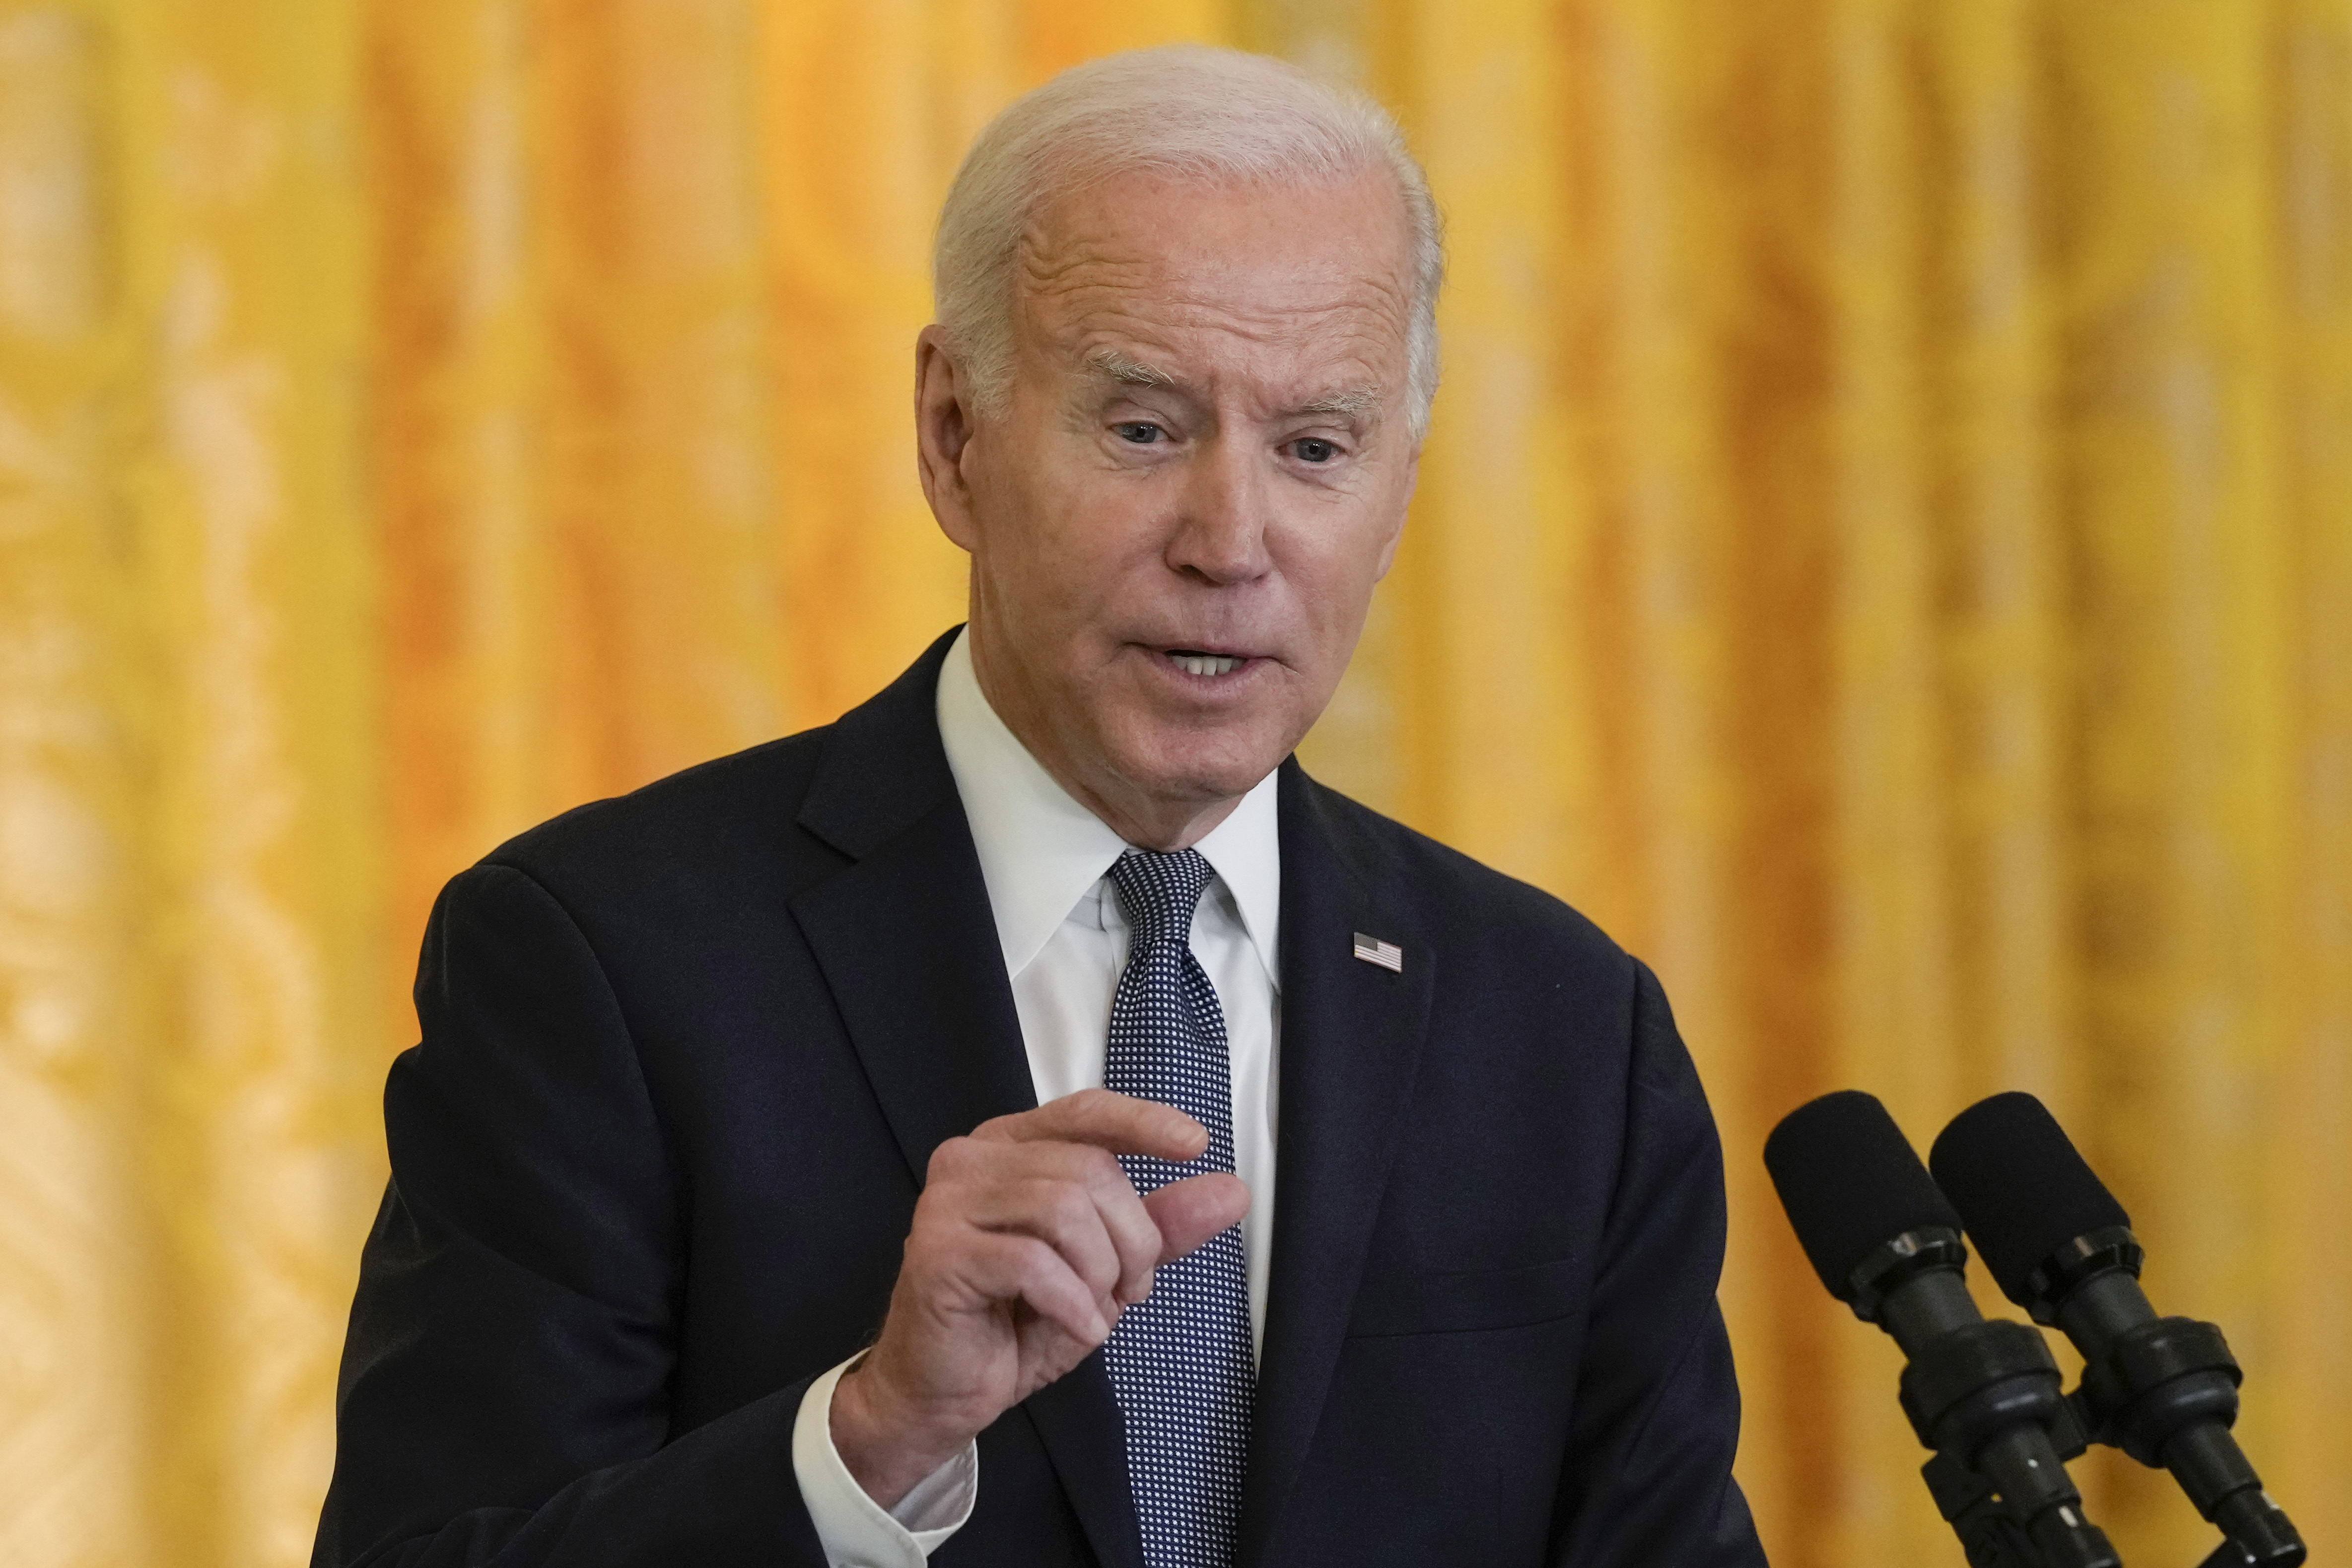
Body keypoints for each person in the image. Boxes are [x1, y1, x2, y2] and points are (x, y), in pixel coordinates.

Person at [312, 44, 1764, 1568]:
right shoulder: (602, 964)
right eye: (1141, 428)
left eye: (1314, 448)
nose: (1230, 541)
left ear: (1397, 490)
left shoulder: (1560, 1031)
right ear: (953, 434)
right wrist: (869, 1441)